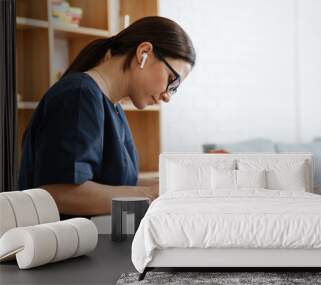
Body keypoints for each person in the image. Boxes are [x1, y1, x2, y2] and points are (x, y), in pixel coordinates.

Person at [18, 16, 196, 218]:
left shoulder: (112, 106)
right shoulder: (78, 96)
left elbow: (118, 186)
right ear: (144, 53)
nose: (167, 96)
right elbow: (57, 193)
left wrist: (176, 182)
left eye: (174, 89)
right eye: (172, 81)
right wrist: (149, 194)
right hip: (66, 246)